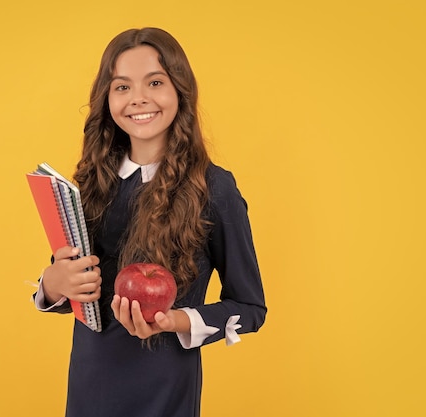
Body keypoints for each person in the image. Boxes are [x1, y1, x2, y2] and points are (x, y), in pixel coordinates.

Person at [32, 27, 266, 417]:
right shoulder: (90, 183)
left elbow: (250, 308)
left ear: (180, 91)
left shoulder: (213, 188)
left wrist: (178, 320)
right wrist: (52, 285)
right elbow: (75, 288)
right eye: (121, 87)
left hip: (165, 388)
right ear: (106, 99)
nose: (138, 98)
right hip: (89, 384)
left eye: (154, 82)